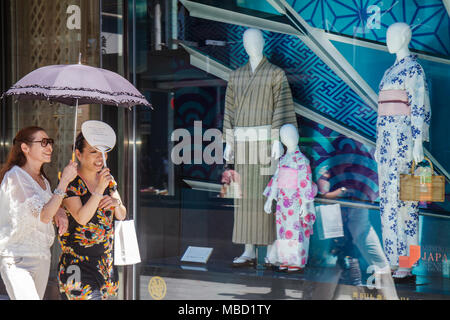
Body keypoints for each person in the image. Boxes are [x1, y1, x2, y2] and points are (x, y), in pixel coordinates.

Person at [0, 126, 78, 300]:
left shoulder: (42, 180)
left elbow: (49, 205)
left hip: (42, 256)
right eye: (43, 143)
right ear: (25, 148)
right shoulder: (15, 176)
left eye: (50, 142)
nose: (49, 147)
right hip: (17, 258)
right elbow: (43, 215)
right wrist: (64, 180)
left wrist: (59, 211)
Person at [58, 132, 126, 300]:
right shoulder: (71, 182)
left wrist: (115, 203)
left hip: (105, 264)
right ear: (79, 154)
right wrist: (98, 190)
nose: (100, 157)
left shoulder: (108, 180)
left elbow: (122, 214)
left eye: (102, 152)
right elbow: (81, 218)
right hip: (78, 266)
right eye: (93, 151)